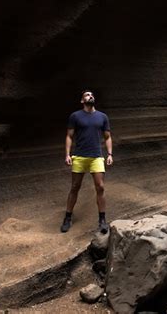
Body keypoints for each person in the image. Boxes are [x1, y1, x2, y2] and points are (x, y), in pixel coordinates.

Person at [60, 90, 113, 233]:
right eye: (87, 95)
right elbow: (69, 136)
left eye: (92, 95)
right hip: (79, 156)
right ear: (82, 101)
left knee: (100, 187)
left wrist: (109, 154)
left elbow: (107, 137)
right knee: (75, 187)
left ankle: (102, 220)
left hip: (96, 156)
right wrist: (67, 154)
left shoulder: (102, 117)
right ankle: (67, 217)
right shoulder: (75, 116)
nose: (91, 96)